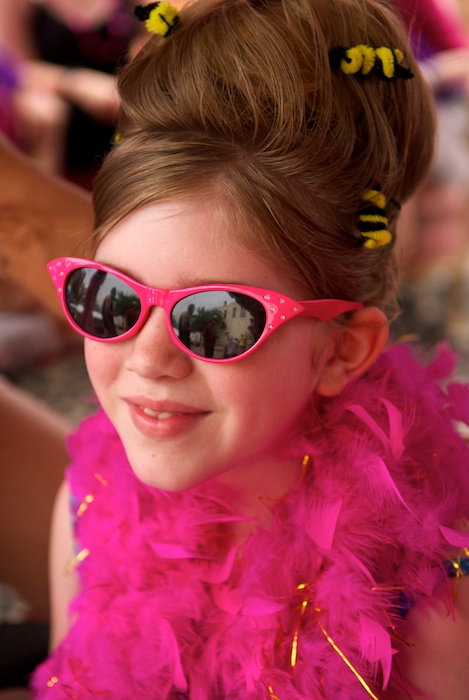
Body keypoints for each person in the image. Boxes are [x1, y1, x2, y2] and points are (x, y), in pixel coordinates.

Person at [31, 0, 469, 698]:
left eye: (214, 320)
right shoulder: (87, 502)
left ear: (341, 352)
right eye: (109, 298)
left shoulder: (438, 595)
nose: (148, 358)